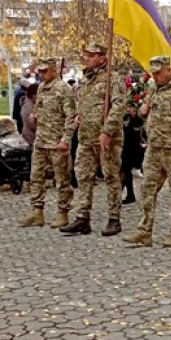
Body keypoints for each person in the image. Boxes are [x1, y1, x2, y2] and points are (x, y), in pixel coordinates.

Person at [123, 56, 171, 247]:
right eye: (153, 73)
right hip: (154, 149)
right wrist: (143, 110)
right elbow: (143, 114)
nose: (155, 76)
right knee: (147, 189)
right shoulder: (153, 87)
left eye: (158, 72)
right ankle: (144, 231)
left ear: (168, 70)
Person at [60, 43, 126, 237]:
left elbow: (118, 106)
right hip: (86, 138)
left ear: (102, 57)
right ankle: (82, 217)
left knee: (111, 176)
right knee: (83, 176)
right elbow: (83, 103)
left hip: (106, 139)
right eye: (86, 54)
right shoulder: (86, 80)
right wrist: (80, 115)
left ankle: (114, 218)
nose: (87, 58)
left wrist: (107, 131)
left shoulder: (112, 79)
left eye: (91, 55)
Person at [18, 58, 76, 229]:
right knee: (35, 177)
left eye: (45, 71)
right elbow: (39, 108)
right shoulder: (42, 87)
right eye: (40, 71)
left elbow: (71, 117)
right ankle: (37, 211)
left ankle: (63, 213)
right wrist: (34, 116)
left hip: (57, 143)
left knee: (62, 180)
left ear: (54, 70)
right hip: (41, 141)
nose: (41, 74)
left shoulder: (63, 89)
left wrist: (65, 140)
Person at [121, 105, 145, 204]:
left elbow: (139, 124)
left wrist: (134, 115)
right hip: (124, 145)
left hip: (131, 147)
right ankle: (129, 194)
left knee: (125, 170)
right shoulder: (124, 116)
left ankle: (125, 194)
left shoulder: (136, 118)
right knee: (125, 171)